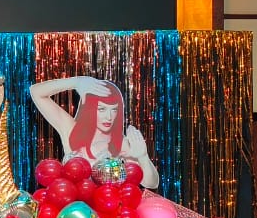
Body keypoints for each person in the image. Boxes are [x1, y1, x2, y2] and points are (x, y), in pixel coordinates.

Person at [29, 76, 159, 189]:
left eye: (114, 110)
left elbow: (151, 183)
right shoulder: (72, 130)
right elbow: (36, 92)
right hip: (72, 206)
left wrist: (143, 157)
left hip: (107, 206)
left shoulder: (120, 142)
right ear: (90, 109)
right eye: (102, 109)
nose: (109, 117)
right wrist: (76, 82)